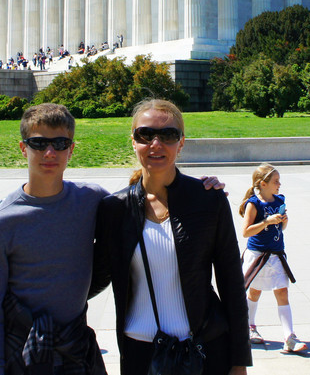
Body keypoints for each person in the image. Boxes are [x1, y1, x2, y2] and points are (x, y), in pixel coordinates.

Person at [94, 99, 251, 375]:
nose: (156, 144)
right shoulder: (114, 209)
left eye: (168, 135)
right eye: (145, 135)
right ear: (133, 141)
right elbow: (93, 277)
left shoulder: (208, 201)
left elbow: (232, 284)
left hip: (204, 350)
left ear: (181, 143)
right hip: (140, 353)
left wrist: (239, 361)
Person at [0, 103, 109, 375]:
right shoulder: (0, 221)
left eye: (60, 143)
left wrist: (202, 188)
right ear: (23, 148)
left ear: (72, 149)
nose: (49, 152)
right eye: (38, 143)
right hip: (24, 352)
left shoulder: (92, 200)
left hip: (76, 348)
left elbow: (144, 203)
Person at [239, 163, 305, 353]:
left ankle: (289, 336)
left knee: (282, 291)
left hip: (276, 255)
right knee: (254, 293)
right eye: (276, 181)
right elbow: (245, 232)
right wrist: (266, 221)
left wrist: (283, 221)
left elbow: (280, 229)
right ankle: (250, 327)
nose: (279, 184)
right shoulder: (254, 203)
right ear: (263, 184)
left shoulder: (279, 200)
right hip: (258, 256)